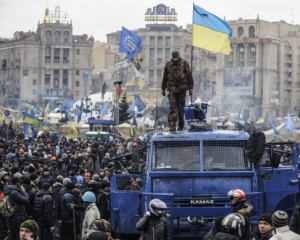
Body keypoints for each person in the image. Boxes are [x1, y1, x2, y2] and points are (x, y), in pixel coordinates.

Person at [161, 50, 194, 131]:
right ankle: (172, 125)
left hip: (182, 89)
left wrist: (191, 87)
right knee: (172, 107)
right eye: (174, 57)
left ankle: (181, 125)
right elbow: (165, 77)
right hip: (172, 89)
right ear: (172, 57)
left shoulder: (184, 63)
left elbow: (189, 75)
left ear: (178, 57)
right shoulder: (168, 64)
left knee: (180, 108)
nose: (175, 59)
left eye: (176, 57)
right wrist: (163, 88)